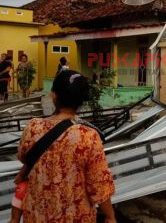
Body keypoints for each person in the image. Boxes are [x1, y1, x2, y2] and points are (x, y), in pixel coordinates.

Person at [11, 70, 116, 223]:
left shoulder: (33, 128)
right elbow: (99, 184)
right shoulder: (88, 137)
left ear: (53, 95)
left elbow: (23, 157)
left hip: (37, 215)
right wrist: (110, 216)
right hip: (76, 217)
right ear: (81, 101)